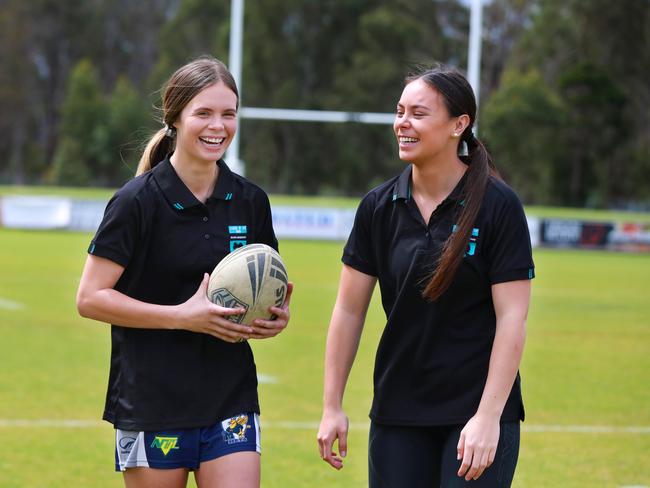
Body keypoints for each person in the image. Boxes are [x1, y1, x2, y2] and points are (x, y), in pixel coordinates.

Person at [76, 56, 292, 488]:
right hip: (152, 400)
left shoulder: (250, 200)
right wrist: (182, 317)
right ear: (175, 118)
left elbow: (266, 286)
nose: (219, 126)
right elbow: (90, 298)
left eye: (228, 114)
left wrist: (274, 317)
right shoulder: (136, 201)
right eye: (204, 113)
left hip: (229, 397)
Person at [317, 66, 534, 487]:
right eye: (399, 111)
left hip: (475, 415)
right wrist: (332, 405)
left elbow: (513, 318)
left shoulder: (498, 205)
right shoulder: (378, 207)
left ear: (459, 125)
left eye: (418, 113)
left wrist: (488, 417)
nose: (403, 123)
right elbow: (348, 311)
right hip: (398, 414)